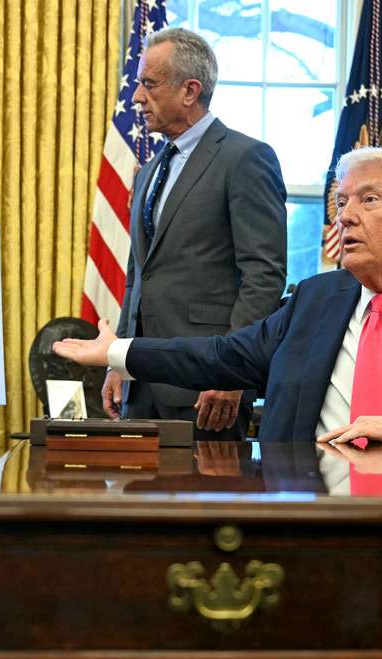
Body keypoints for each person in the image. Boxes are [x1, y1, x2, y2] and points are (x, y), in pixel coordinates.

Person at [57, 146, 382, 448]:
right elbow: (219, 356)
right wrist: (116, 352)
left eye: (368, 200)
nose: (344, 216)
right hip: (307, 520)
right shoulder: (315, 300)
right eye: (341, 201)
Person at [106, 27, 287, 440]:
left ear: (190, 90)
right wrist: (119, 360)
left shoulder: (245, 159)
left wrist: (232, 370)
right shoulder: (150, 171)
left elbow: (263, 276)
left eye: (149, 84)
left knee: (207, 486)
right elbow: (139, 277)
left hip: (206, 388)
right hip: (141, 383)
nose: (137, 97)